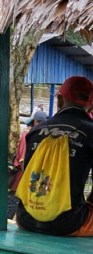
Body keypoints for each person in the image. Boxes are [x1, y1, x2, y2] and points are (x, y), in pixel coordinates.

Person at [16, 77, 93, 236]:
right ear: (91, 105)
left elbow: (25, 170)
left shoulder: (36, 130)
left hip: (26, 219)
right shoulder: (90, 131)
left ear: (59, 100)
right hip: (69, 224)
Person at [7, 110, 47, 219]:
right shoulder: (28, 135)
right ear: (35, 122)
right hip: (23, 174)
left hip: (30, 174)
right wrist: (27, 177)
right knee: (14, 201)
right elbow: (22, 160)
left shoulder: (32, 134)